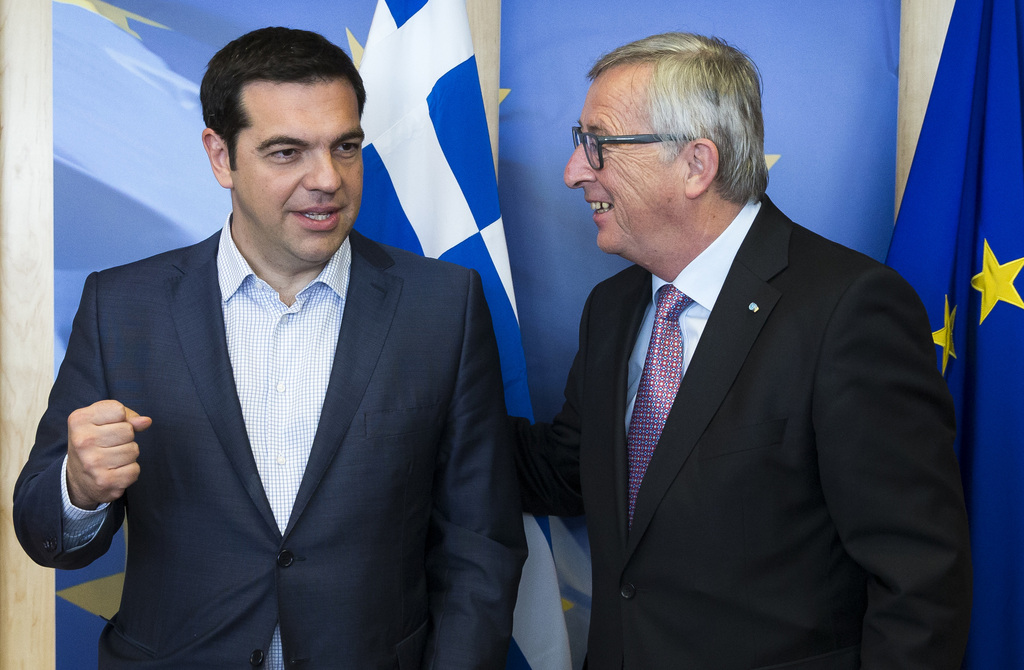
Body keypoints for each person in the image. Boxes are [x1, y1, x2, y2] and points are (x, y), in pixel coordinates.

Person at [14, 27, 525, 669]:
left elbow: (480, 545)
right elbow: (44, 531)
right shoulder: (123, 307)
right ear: (221, 156)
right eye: (287, 152)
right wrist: (78, 488)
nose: (327, 179)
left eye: (345, 147)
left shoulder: (443, 306)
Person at [512, 32, 972, 669]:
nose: (574, 171)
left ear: (697, 164)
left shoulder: (849, 310)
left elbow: (919, 582)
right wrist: (415, 412)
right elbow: (570, 470)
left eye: (600, 144)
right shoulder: (613, 309)